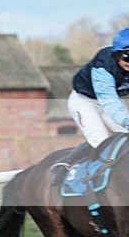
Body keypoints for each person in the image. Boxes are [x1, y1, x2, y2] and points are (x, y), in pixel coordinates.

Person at [51, 27, 129, 185]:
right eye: (127, 56)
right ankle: (66, 163)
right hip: (85, 101)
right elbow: (110, 103)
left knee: (125, 135)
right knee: (100, 140)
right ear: (116, 54)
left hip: (111, 100)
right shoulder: (103, 65)